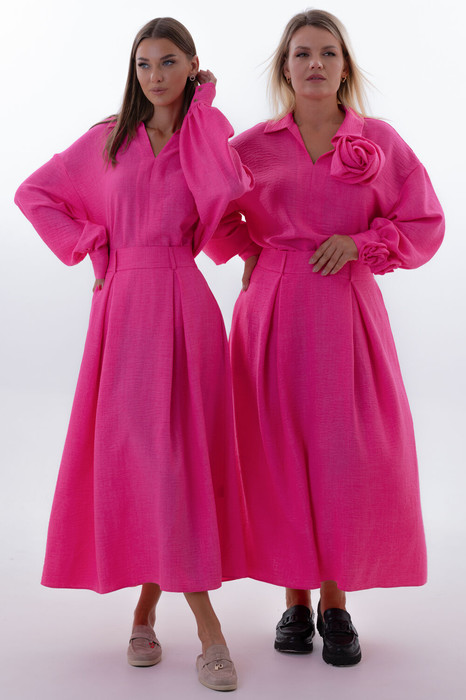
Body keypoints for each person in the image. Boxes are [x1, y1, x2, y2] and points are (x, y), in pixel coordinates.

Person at [14, 17, 255, 692]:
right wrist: (92, 244)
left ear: (192, 65)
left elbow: (225, 199)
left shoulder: (206, 137)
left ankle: (149, 612)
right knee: (149, 461)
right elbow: (34, 193)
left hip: (186, 304)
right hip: (122, 310)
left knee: (180, 462)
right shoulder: (107, 140)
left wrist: (203, 112)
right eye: (144, 63)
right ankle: (205, 628)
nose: (154, 75)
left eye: (169, 62)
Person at [204, 9, 444, 666]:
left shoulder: (379, 141)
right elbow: (208, 208)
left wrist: (361, 242)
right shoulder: (252, 146)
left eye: (327, 53)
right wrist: (249, 250)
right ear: (285, 68)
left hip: (347, 309)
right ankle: (294, 600)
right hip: (272, 310)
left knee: (346, 455)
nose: (314, 63)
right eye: (302, 53)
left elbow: (423, 220)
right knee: (278, 449)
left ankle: (335, 603)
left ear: (344, 66)